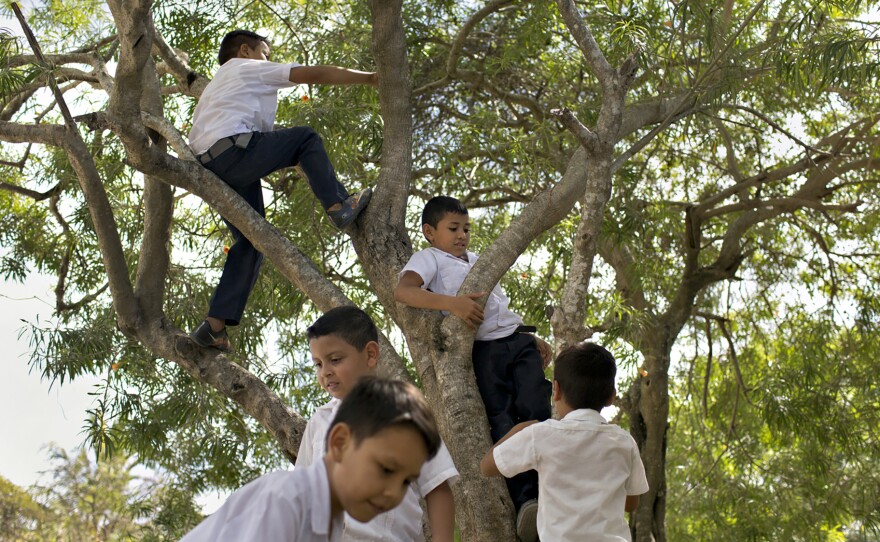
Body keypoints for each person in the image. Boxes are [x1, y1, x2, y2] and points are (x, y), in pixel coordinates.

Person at [188, 29, 375, 351]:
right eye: (265, 53)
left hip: (211, 167)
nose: (268, 60)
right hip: (234, 150)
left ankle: (213, 327)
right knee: (305, 138)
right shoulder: (244, 66)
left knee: (250, 240)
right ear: (245, 50)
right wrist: (371, 78)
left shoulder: (219, 86)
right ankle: (339, 206)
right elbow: (311, 73)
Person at [393, 195, 552, 541]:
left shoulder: (478, 260)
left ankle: (553, 490)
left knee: (537, 407)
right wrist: (452, 305)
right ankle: (528, 499)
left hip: (517, 340)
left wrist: (531, 336)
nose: (462, 235)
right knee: (502, 419)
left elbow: (499, 306)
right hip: (484, 351)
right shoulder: (430, 258)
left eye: (466, 228)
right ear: (430, 232)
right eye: (453, 229)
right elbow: (404, 292)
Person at [181, 376, 441, 542]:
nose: (394, 494)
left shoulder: (328, 524)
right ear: (339, 443)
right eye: (386, 469)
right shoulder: (286, 501)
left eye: (407, 482)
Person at [296, 306, 458, 542]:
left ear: (371, 354)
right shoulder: (319, 422)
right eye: (318, 364)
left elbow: (437, 487)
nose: (326, 372)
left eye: (335, 360)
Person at [480, 342, 649, 542]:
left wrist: (519, 429)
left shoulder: (541, 434)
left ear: (556, 390)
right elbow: (630, 504)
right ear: (611, 397)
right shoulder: (624, 441)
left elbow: (487, 467)